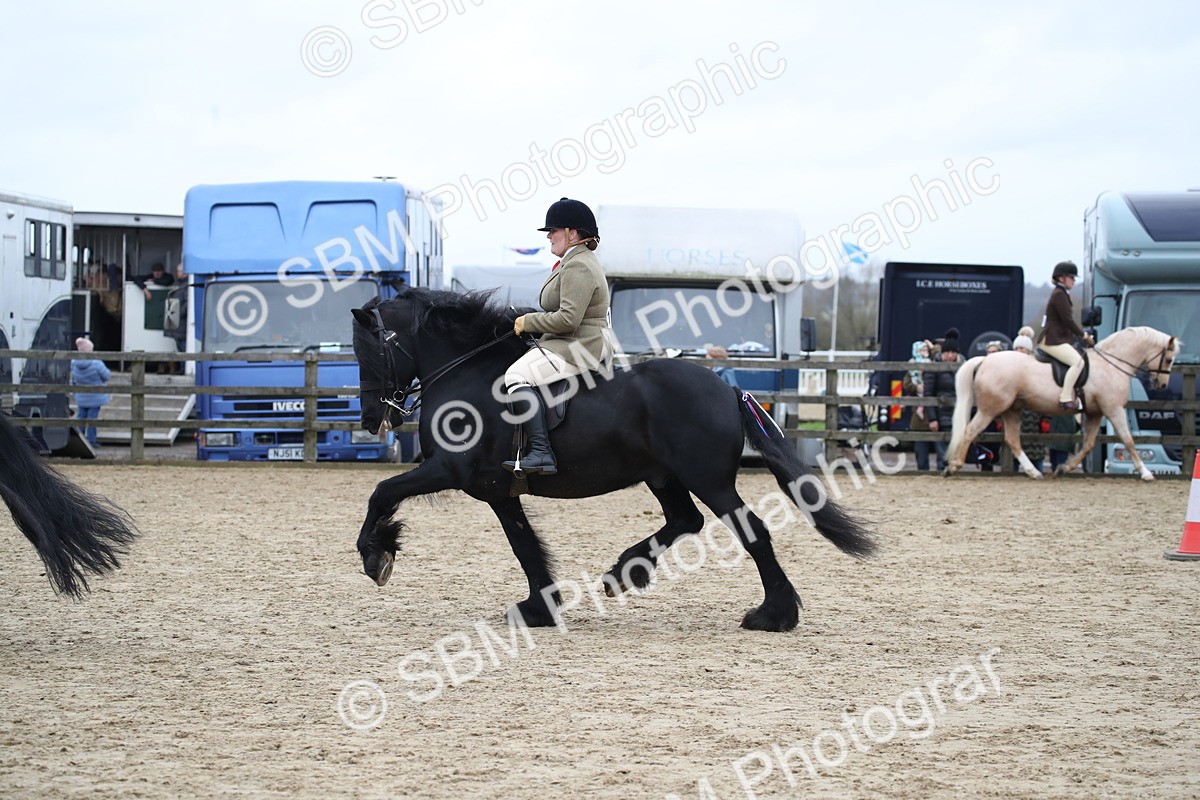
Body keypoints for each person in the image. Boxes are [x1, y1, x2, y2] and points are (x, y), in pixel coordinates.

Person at [503, 198, 612, 475]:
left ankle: (541, 452)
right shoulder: (573, 261)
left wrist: (528, 322)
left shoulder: (578, 266)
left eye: (553, 230)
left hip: (582, 345)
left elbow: (568, 319)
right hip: (570, 341)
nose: (549, 236)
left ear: (572, 233)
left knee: (516, 376)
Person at [1038, 261, 1093, 410]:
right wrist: (1084, 336)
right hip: (1052, 339)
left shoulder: (1062, 293)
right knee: (1078, 362)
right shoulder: (1059, 295)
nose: (1074, 281)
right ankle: (1065, 397)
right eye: (1071, 277)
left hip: (1057, 338)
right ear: (1061, 278)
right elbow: (1068, 321)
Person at [924, 328, 962, 471]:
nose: (950, 356)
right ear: (942, 352)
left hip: (958, 413)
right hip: (941, 414)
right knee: (942, 450)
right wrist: (932, 418)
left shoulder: (964, 366)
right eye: (947, 352)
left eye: (953, 353)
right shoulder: (934, 367)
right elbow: (928, 393)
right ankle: (943, 468)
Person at [1013, 326, 1045, 472]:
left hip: (1034, 417)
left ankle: (1038, 471)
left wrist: (1045, 419)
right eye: (1017, 348)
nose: (1019, 351)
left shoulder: (1037, 368)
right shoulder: (1009, 370)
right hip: (1016, 417)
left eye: (1022, 348)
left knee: (1036, 451)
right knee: (1013, 450)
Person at [71, 337, 111, 447]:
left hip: (81, 396)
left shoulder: (74, 363)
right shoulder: (96, 363)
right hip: (95, 396)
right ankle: (91, 440)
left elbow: (73, 379)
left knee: (81, 418)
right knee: (92, 419)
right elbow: (107, 375)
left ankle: (80, 441)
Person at [902, 339, 933, 470]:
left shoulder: (933, 364)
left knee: (940, 440)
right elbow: (907, 384)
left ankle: (941, 469)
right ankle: (922, 468)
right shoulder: (912, 366)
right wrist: (917, 388)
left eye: (927, 350)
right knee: (920, 439)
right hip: (919, 407)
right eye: (923, 350)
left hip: (933, 406)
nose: (925, 352)